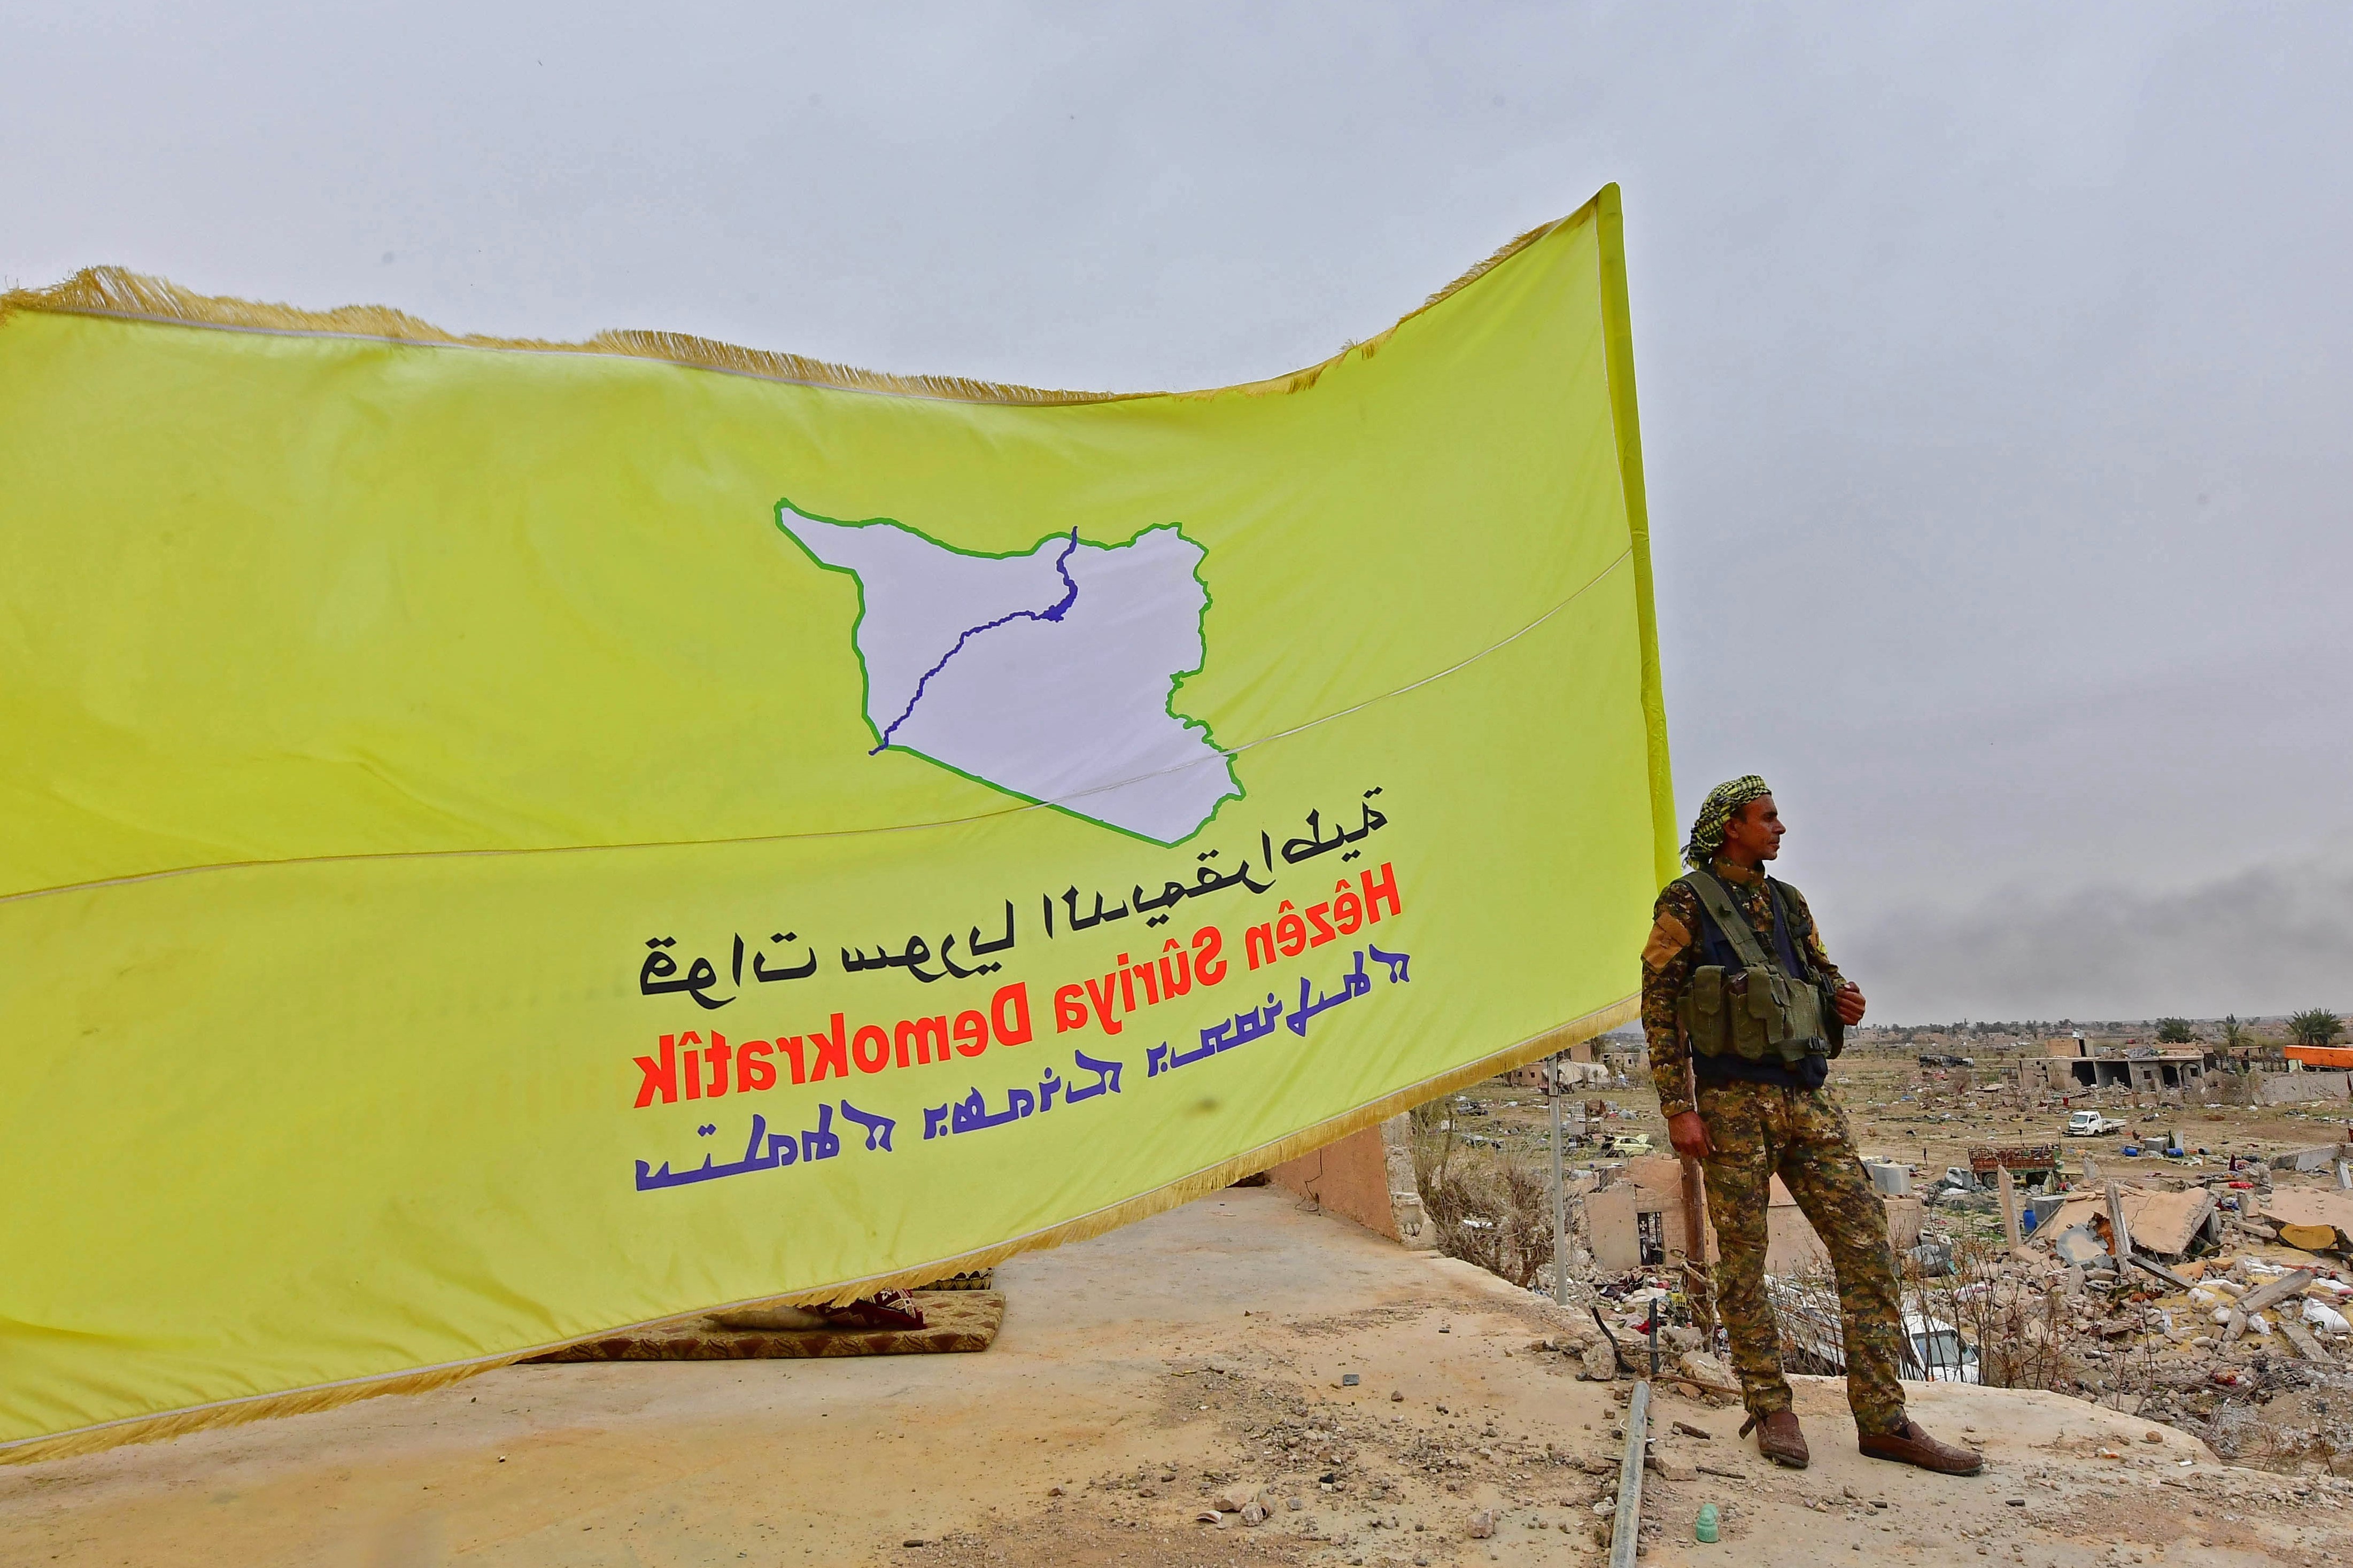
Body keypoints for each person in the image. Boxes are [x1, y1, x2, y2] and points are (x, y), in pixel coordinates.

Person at [1640, 775, 1980, 1476]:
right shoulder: (1686, 902)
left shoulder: (1790, 904)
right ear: (1732, 826)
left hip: (1805, 1098)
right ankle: (1771, 1407)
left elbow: (1822, 979)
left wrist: (1843, 1003)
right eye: (1767, 817)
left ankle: (1883, 1419)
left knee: (1867, 1244)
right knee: (1743, 1262)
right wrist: (1679, 1105)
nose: (1780, 828)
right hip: (1731, 1105)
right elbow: (1659, 1005)